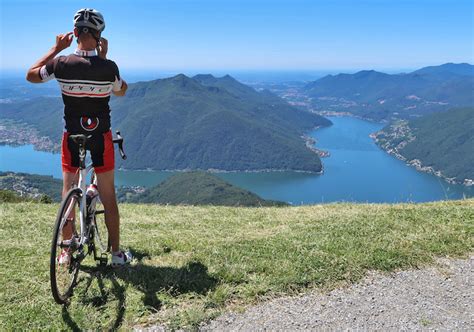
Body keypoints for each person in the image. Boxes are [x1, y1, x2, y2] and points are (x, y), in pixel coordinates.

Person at [26, 8, 131, 266]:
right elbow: (120, 91)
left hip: (71, 137)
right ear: (98, 37)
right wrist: (105, 59)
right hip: (100, 138)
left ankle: (65, 253)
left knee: (68, 192)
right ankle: (116, 254)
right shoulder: (109, 68)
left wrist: (55, 48)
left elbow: (31, 75)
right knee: (108, 195)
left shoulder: (61, 64)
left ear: (75, 34)